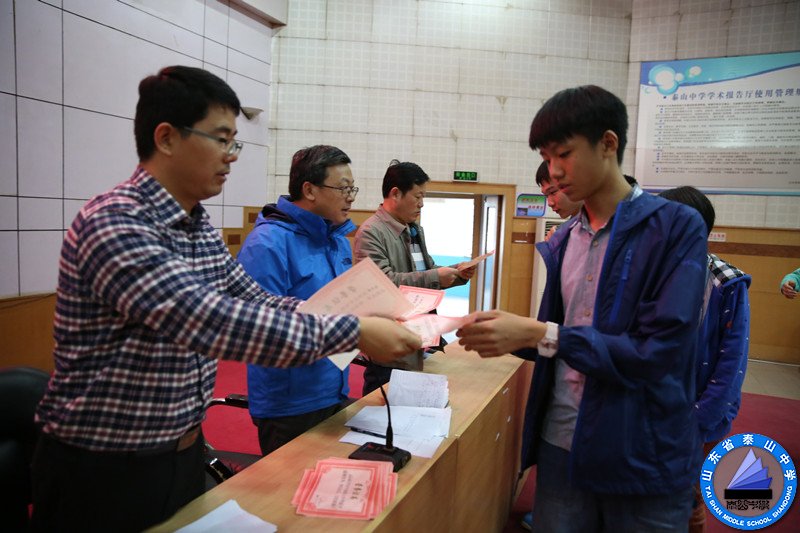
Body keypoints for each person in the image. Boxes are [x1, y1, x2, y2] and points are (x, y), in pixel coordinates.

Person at [30, 66, 420, 532]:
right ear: (167, 137)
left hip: (181, 450)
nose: (232, 156)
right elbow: (208, 320)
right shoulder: (116, 222)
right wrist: (353, 330)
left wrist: (360, 323)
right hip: (105, 466)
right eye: (221, 139)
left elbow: (255, 300)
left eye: (235, 143)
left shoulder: (198, 229)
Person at [457, 85, 707, 532]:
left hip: (642, 448)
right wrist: (506, 333)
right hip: (562, 441)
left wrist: (540, 334)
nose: (554, 172)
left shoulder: (674, 227)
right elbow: (563, 338)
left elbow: (658, 352)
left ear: (608, 144)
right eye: (546, 157)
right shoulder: (565, 238)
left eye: (564, 154)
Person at [237, 145, 358, 456]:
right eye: (343, 188)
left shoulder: (338, 241)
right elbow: (261, 328)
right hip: (290, 403)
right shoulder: (267, 243)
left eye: (353, 189)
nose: (351, 197)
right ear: (310, 190)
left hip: (335, 388)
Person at [659, 186, 751, 533]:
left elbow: (732, 362)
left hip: (699, 413)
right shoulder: (649, 273)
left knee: (689, 499)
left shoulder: (726, 282)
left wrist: (699, 421)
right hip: (652, 410)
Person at [354, 160, 476, 395]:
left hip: (420, 338)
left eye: (424, 197)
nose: (422, 204)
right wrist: (436, 276)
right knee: (383, 409)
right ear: (395, 194)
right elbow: (384, 284)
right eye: (418, 197)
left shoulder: (414, 229)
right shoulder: (371, 232)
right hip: (389, 348)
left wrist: (458, 272)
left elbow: (427, 269)